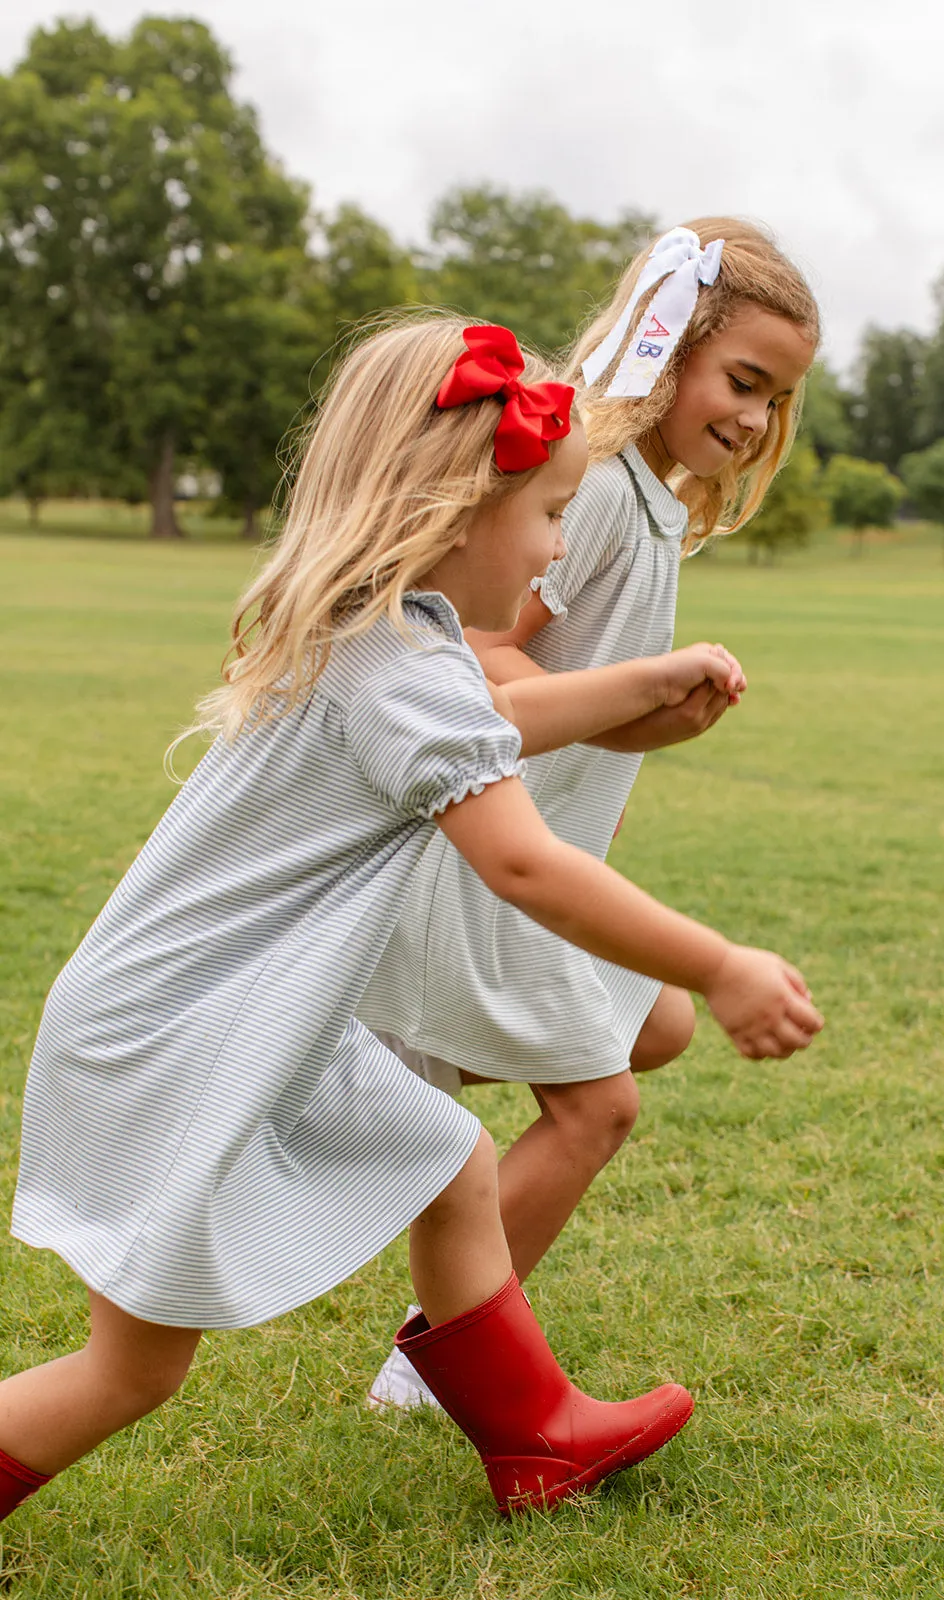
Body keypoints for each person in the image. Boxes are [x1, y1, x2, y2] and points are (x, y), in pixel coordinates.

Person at [0, 316, 822, 1531]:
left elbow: (488, 726)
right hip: (187, 1032)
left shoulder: (394, 634)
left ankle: (533, 1437)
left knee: (452, 1160)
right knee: (132, 1372)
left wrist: (642, 684)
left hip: (242, 1012)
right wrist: (719, 964)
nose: (554, 553)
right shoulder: (396, 661)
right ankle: (529, 1429)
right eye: (545, 514)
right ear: (453, 512)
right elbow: (525, 863)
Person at [359, 221, 822, 1409]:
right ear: (668, 353)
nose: (753, 420)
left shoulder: (648, 503)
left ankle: (420, 1099)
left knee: (653, 1028)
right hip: (478, 864)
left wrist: (642, 723)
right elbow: (471, 653)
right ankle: (438, 1363)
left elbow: (573, 704)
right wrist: (623, 701)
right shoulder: (598, 492)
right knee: (598, 1101)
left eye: (775, 401)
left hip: (535, 859)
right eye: (740, 383)